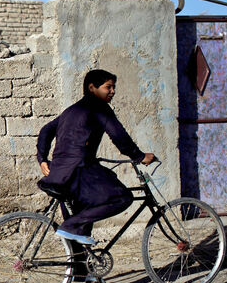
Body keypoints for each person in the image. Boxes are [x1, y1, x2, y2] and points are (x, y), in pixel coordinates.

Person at [36, 69, 156, 247]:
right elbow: (119, 137)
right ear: (92, 87)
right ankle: (72, 225)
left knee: (78, 233)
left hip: (59, 174)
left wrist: (42, 159)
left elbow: (46, 130)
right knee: (122, 198)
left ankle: (82, 274)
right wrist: (139, 156)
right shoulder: (99, 108)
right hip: (79, 171)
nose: (113, 91)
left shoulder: (71, 110)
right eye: (108, 87)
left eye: (114, 87)